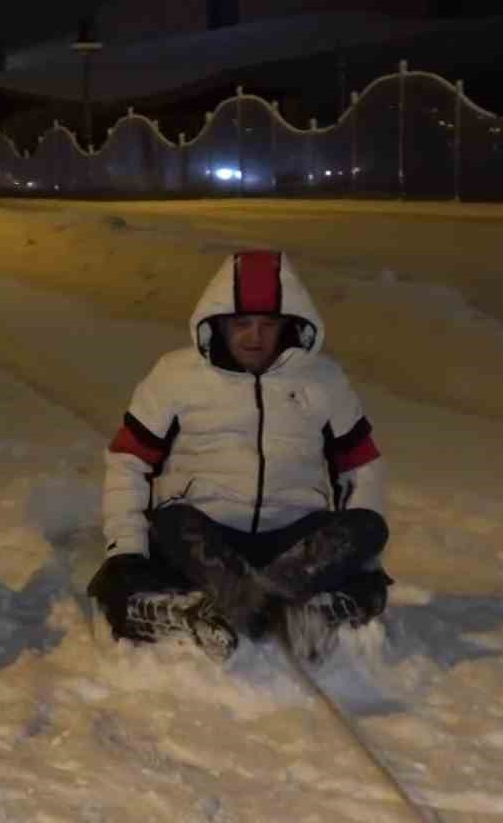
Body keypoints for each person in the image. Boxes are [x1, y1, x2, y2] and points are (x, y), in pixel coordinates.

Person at [88, 249, 391, 665]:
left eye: (269, 324)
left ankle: (250, 601)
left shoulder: (324, 380)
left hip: (293, 546)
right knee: (173, 522)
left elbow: (361, 468)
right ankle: (284, 611)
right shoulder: (175, 376)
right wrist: (125, 550)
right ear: (219, 322)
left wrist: (356, 554)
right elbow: (129, 462)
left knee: (367, 526)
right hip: (205, 539)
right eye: (241, 323)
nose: (254, 337)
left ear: (290, 325)